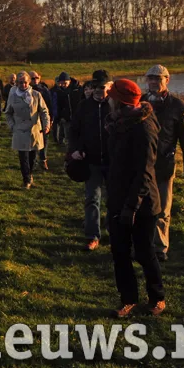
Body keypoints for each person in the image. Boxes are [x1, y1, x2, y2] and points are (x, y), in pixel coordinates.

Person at [105, 79, 164, 318]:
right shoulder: (118, 123)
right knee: (120, 253)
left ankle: (157, 297)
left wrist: (132, 206)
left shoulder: (144, 128)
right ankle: (128, 300)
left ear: (120, 101)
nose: (108, 99)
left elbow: (144, 172)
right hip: (118, 198)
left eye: (111, 96)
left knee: (144, 253)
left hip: (143, 203)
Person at [141, 65, 184, 262]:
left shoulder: (179, 106)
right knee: (139, 207)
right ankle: (141, 244)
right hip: (141, 164)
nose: (153, 82)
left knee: (162, 209)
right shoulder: (140, 102)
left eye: (158, 79)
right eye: (150, 78)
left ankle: (159, 248)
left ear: (167, 80)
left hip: (164, 164)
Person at [69, 70, 113, 251]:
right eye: (96, 86)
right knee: (92, 199)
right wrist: (75, 149)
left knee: (114, 199)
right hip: (91, 160)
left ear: (110, 87)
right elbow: (74, 130)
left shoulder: (115, 105)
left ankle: (113, 232)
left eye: (103, 87)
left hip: (113, 161)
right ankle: (92, 236)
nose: (99, 90)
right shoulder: (84, 106)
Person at [5, 71, 50, 189]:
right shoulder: (13, 96)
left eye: (25, 82)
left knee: (32, 157)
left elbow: (44, 111)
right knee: (23, 157)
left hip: (34, 131)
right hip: (20, 131)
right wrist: (12, 126)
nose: (23, 85)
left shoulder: (36, 95)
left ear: (29, 82)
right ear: (17, 83)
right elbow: (8, 113)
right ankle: (26, 180)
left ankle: (30, 174)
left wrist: (46, 125)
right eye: (20, 83)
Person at [29, 71, 54, 170]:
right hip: (32, 119)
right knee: (33, 141)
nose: (35, 80)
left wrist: (51, 119)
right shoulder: (26, 90)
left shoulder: (44, 89)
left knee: (44, 140)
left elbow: (50, 104)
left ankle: (43, 160)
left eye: (37, 78)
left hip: (43, 118)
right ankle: (33, 161)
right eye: (33, 78)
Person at [51, 72, 83, 145]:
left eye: (65, 83)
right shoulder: (60, 91)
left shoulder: (78, 89)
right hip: (67, 119)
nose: (63, 85)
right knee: (68, 138)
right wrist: (61, 116)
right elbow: (59, 105)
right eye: (61, 83)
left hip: (78, 117)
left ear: (69, 81)